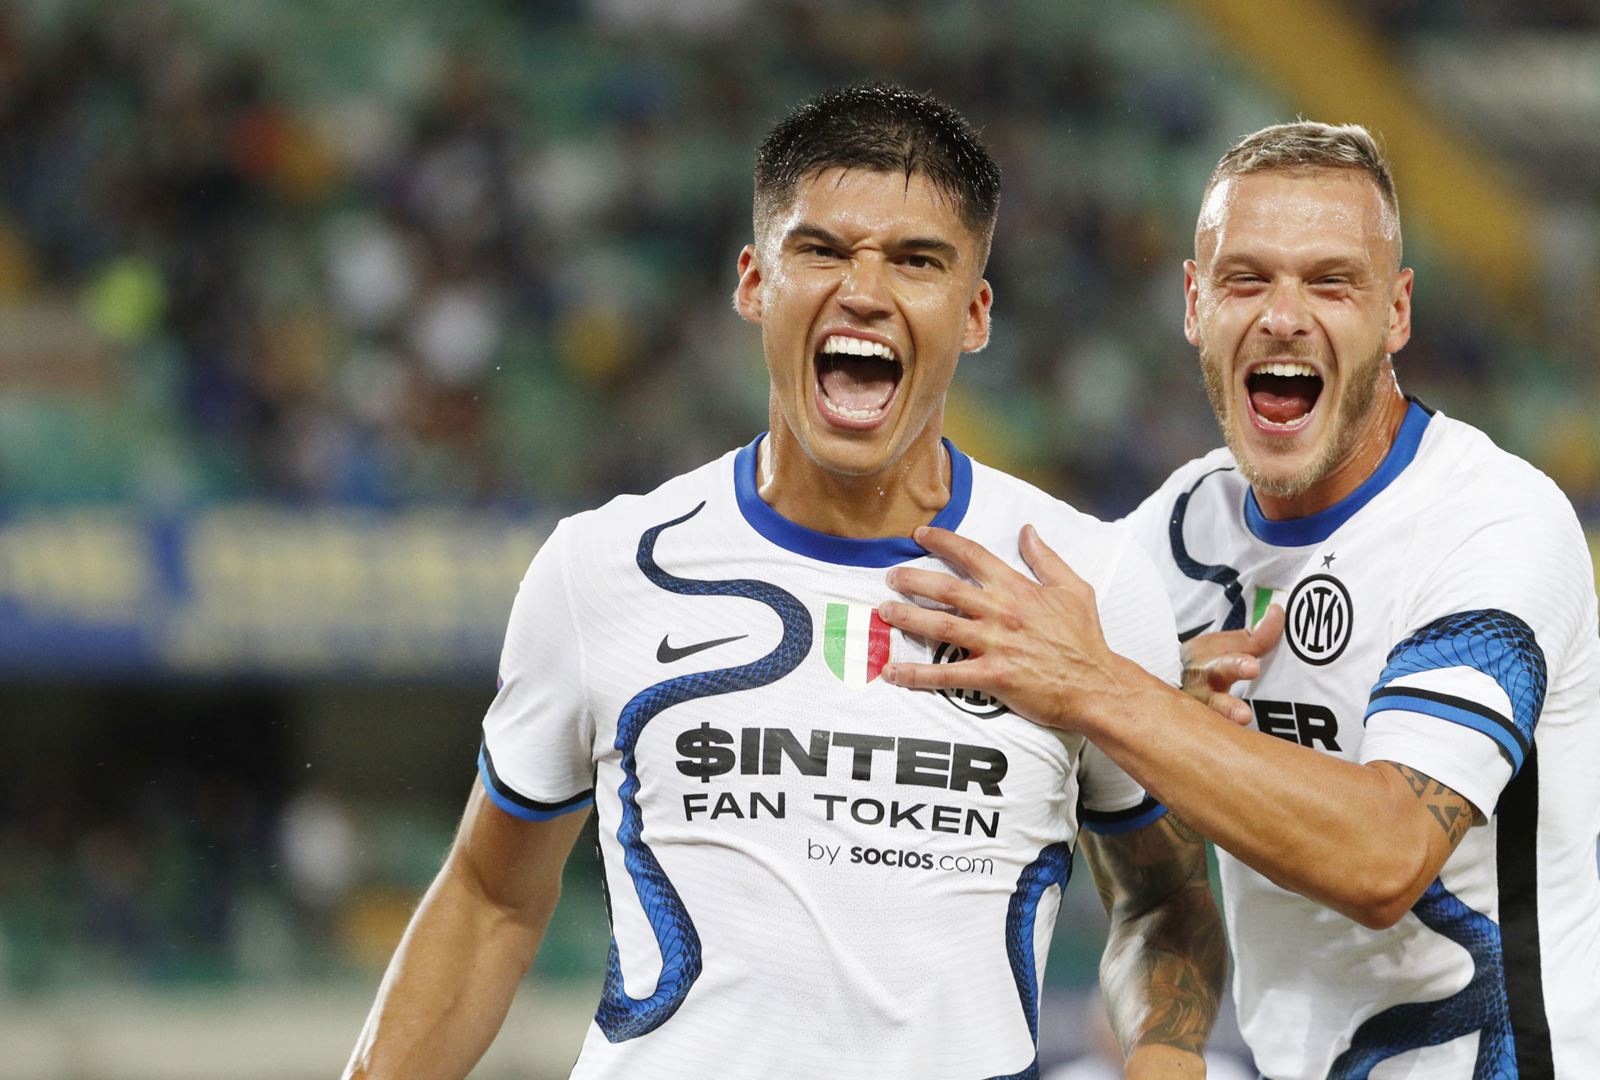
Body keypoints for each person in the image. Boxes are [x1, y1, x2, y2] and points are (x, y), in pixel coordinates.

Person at [342, 84, 1226, 1080]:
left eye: (917, 261)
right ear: (755, 282)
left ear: (975, 314)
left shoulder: (1085, 583)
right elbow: (489, 898)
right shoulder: (603, 568)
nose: (865, 291)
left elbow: (1163, 898)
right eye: (822, 251)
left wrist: (1165, 1061)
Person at [880, 122, 1600, 1078]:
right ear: (1194, 303)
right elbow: (1139, 867)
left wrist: (1118, 694)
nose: (1284, 316)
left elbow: (1386, 858)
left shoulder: (1493, 522)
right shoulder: (1170, 537)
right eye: (1246, 279)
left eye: (1331, 283)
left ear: (1397, 312)